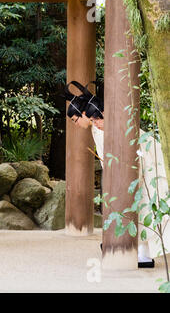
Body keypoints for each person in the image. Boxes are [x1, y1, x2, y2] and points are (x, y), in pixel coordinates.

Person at [66, 82, 169, 268]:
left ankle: (143, 254)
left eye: (75, 119)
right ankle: (141, 253)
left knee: (147, 204)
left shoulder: (108, 127)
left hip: (147, 163)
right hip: (135, 168)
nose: (78, 123)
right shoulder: (98, 128)